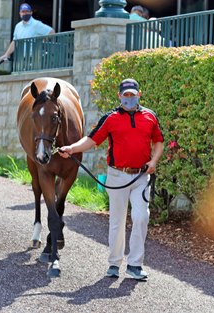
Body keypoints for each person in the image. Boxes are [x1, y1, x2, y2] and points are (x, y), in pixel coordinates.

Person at [58, 78, 164, 280]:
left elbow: (159, 141)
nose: (129, 98)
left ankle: (135, 265)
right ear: (120, 96)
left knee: (141, 217)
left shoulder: (150, 116)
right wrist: (71, 148)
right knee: (117, 220)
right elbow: (92, 140)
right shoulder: (111, 118)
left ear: (139, 94)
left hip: (141, 175)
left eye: (133, 95)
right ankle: (114, 264)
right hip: (117, 175)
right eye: (126, 95)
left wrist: (154, 161)